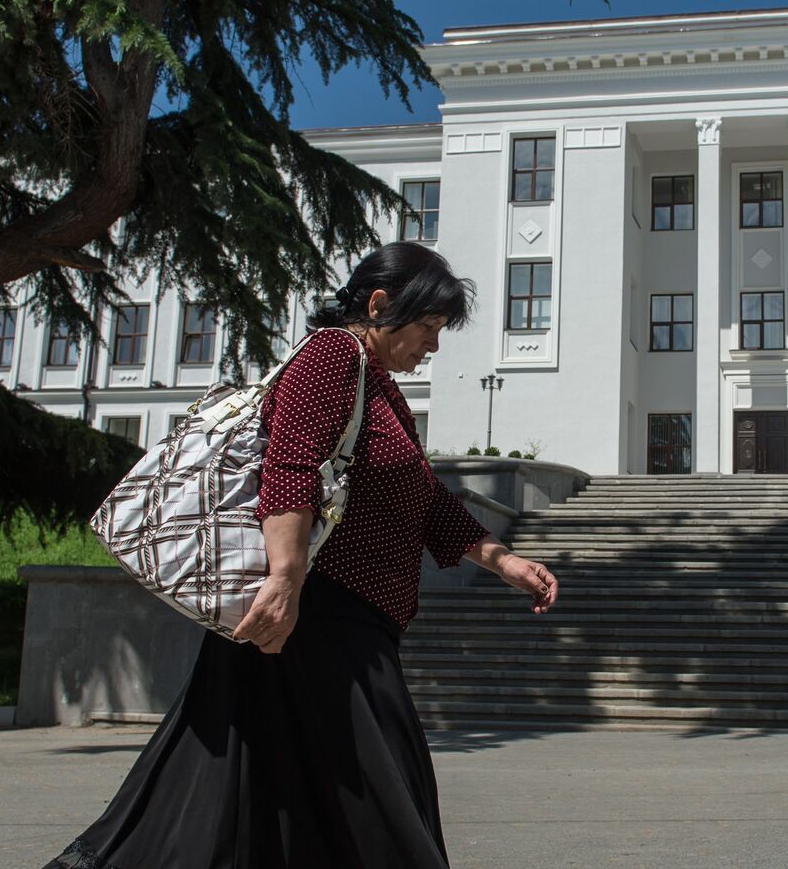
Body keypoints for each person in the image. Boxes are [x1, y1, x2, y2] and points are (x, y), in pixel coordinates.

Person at [45, 241, 559, 869]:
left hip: (336, 621)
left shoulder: (379, 385)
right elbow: (291, 468)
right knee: (374, 789)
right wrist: (285, 579)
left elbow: (422, 497)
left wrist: (501, 561)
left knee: (228, 793)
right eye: (428, 326)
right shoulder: (331, 356)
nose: (434, 344)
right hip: (316, 619)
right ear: (378, 304)